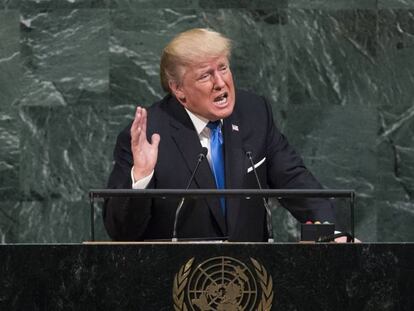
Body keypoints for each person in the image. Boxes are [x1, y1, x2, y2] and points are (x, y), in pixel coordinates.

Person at [103, 28, 336, 242]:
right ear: (179, 90)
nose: (220, 82)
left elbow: (295, 181)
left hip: (252, 276)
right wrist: (141, 177)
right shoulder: (149, 135)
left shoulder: (254, 113)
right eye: (205, 76)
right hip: (178, 279)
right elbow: (121, 233)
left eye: (223, 68)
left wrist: (330, 233)